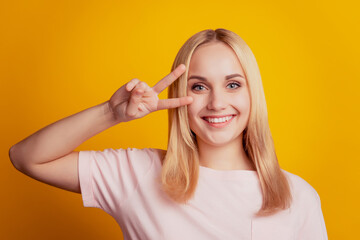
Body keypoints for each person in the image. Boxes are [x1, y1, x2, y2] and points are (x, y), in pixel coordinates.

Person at [9, 28, 328, 240]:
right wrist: (111, 113)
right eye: (199, 87)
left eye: (233, 84)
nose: (217, 103)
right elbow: (26, 158)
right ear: (180, 97)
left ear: (252, 94)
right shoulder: (138, 174)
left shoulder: (298, 197)